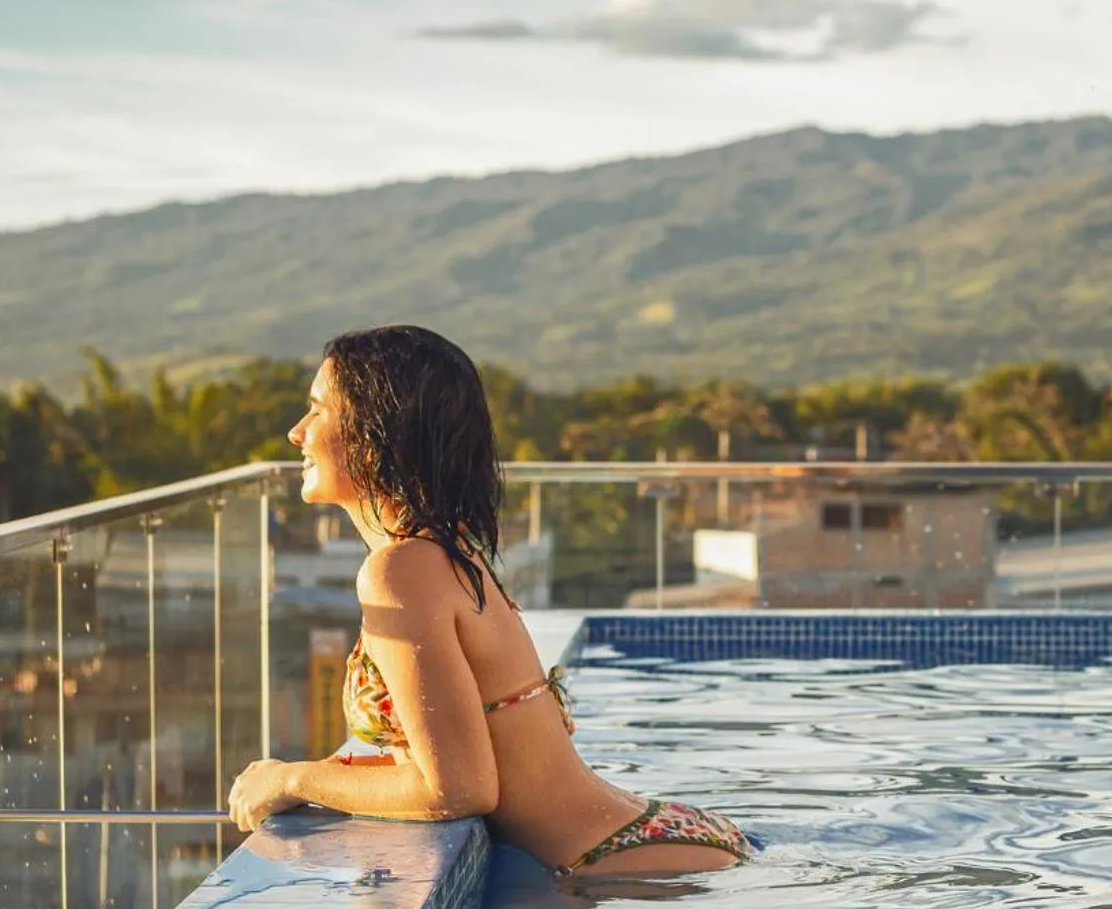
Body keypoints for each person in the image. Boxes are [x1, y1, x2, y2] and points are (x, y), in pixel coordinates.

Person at [227, 325, 749, 876]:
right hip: (653, 834)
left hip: (615, 861)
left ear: (374, 427)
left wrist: (291, 778)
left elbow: (457, 788)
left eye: (316, 410)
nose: (296, 433)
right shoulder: (447, 552)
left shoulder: (400, 572)